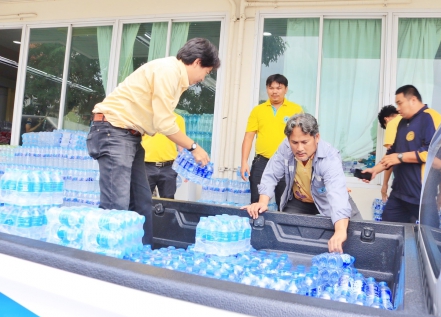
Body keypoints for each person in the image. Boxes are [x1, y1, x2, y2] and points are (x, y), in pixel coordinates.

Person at [87, 38, 220, 245]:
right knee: (116, 206)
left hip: (131, 136)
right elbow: (164, 123)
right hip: (113, 130)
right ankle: (109, 266)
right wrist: (193, 147)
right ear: (197, 62)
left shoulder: (174, 77)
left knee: (142, 202)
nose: (203, 78)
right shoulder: (169, 71)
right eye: (207, 72)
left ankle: (142, 255)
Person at [242, 113, 362, 253]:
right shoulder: (285, 148)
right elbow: (271, 174)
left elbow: (337, 194)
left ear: (316, 137)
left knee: (355, 235)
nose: (299, 148)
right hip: (300, 200)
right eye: (294, 142)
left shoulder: (330, 157)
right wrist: (263, 202)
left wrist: (341, 230)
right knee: (287, 234)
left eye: (304, 142)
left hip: (329, 200)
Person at [362, 85, 441, 223]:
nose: (397, 108)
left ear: (413, 99)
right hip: (399, 194)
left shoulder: (428, 118)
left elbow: (431, 152)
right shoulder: (401, 123)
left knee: (430, 238)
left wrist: (400, 157)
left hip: (422, 196)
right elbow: (392, 153)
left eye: (400, 103)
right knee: (387, 233)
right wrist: (375, 170)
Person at [240, 74, 303, 206]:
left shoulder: (296, 110)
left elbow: (302, 137)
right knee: (256, 203)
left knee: (286, 204)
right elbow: (249, 137)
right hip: (262, 162)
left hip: (287, 161)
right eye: (271, 88)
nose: (274, 91)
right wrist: (244, 161)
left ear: (286, 89)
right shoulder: (258, 110)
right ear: (267, 89)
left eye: (278, 88)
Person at [141, 112, 185, 198]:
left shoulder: (178, 119)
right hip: (146, 166)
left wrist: (186, 170)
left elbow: (181, 146)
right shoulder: (145, 117)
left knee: (168, 202)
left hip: (168, 167)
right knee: (142, 200)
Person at [377, 105, 402, 202]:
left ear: (386, 119)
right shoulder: (411, 122)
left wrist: (384, 185)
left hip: (404, 180)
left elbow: (390, 158)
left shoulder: (392, 123)